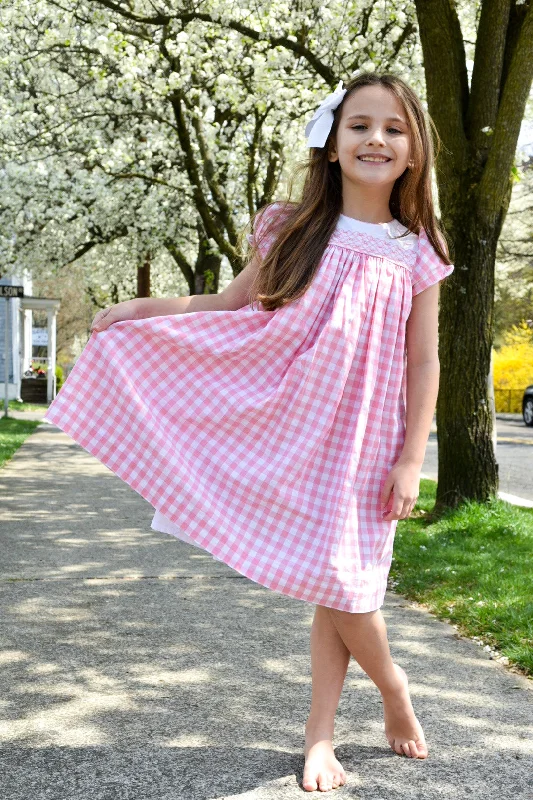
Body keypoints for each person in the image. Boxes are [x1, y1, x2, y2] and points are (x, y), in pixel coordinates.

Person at [44, 71, 454, 793]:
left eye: (393, 128)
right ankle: (354, 712)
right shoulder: (291, 225)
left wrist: (410, 456)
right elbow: (233, 302)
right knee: (332, 582)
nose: (375, 139)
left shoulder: (417, 247)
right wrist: (146, 311)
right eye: (358, 125)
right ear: (330, 142)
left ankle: (357, 711)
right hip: (290, 415)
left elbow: (423, 361)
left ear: (414, 150)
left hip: (365, 436)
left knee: (347, 583)